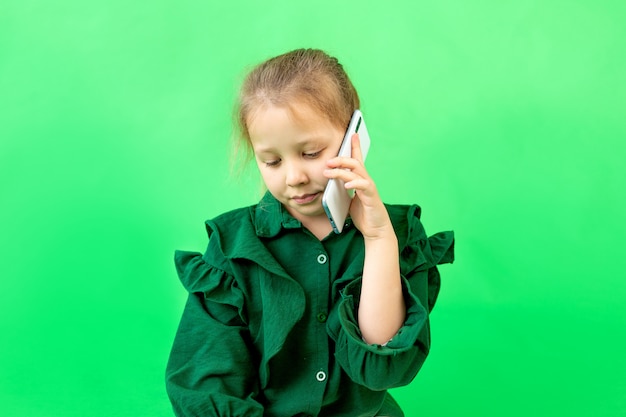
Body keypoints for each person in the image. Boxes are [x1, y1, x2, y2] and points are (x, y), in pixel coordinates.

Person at [165, 48, 454, 417]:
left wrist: (379, 239)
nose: (294, 177)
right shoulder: (233, 246)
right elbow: (207, 382)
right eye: (272, 161)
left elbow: (382, 363)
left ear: (354, 136)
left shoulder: (398, 234)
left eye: (312, 153)